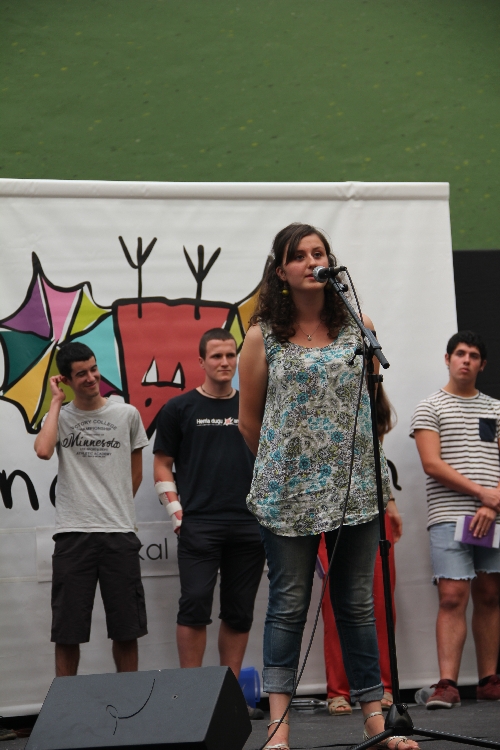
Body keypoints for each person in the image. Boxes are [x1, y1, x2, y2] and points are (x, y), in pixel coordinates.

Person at [238, 223, 419, 750]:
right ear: (281, 271)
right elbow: (250, 421)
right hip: (286, 496)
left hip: (355, 491)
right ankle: (278, 729)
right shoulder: (261, 336)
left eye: (319, 252)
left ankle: (375, 720)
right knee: (288, 605)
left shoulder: (359, 328)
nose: (311, 261)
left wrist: (380, 488)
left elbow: (371, 412)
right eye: (299, 255)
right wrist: (290, 466)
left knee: (356, 604)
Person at [153, 328, 266, 719]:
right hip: (199, 523)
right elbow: (161, 464)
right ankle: (191, 697)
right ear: (201, 361)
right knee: (194, 604)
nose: (225, 362)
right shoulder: (179, 409)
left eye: (231, 355)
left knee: (239, 611)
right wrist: (176, 512)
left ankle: (228, 699)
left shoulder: (255, 405)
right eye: (216, 356)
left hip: (249, 524)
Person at [34, 342, 149, 676]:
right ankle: (65, 702)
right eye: (81, 374)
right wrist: (56, 402)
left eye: (93, 369)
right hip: (73, 535)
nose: (91, 378)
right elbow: (43, 450)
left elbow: (136, 473)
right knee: (67, 632)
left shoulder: (126, 414)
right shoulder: (59, 417)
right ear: (67, 380)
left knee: (126, 629)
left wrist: (116, 507)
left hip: (119, 534)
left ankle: (129, 699)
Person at [411, 330, 500, 708]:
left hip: (492, 516)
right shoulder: (429, 407)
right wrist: (483, 494)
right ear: (447, 359)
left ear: (482, 364)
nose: (466, 360)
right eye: (460, 353)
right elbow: (432, 464)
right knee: (451, 597)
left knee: (490, 594)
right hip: (449, 516)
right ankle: (446, 684)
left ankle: (488, 680)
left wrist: (492, 503)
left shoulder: (496, 409)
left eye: (473, 355)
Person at [319, 383, 402, 716]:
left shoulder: (371, 392)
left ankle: (383, 686)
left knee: (380, 600)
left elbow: (375, 454)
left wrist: (390, 501)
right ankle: (338, 690)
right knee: (334, 602)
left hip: (370, 506)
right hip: (325, 507)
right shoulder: (318, 393)